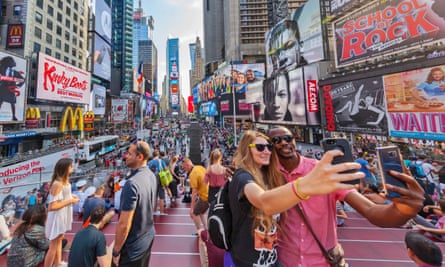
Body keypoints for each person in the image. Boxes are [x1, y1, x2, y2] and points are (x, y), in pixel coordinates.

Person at [267, 126, 424, 266]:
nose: (283, 143)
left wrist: (405, 209)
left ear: (294, 140)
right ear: (270, 146)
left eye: (287, 138)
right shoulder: (267, 175)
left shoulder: (324, 171)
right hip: (284, 259)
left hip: (324, 260)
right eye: (276, 140)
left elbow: (370, 210)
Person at [226, 130, 363, 266]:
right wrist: (305, 185)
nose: (266, 151)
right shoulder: (243, 177)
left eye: (269, 147)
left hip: (270, 259)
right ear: (246, 150)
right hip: (248, 260)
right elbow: (264, 202)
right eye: (260, 147)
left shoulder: (268, 177)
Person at [112, 141, 157, 267]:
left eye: (130, 154)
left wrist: (116, 251)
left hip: (132, 249)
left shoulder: (131, 184)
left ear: (140, 157)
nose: (126, 156)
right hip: (146, 238)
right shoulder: (151, 175)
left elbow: (124, 224)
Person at [44, 158, 79, 267]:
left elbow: (61, 197)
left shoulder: (64, 181)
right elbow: (52, 206)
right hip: (57, 217)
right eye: (71, 166)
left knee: (59, 241)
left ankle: (58, 263)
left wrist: (70, 196)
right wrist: (70, 200)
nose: (72, 167)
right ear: (65, 168)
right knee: (53, 246)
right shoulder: (58, 184)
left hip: (62, 215)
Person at [181, 157, 209, 234]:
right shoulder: (200, 167)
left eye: (184, 167)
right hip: (209, 194)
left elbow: (194, 192)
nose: (184, 169)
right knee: (201, 212)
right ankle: (206, 230)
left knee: (194, 213)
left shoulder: (192, 174)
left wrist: (191, 208)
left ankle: (200, 231)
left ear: (187, 165)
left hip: (204, 196)